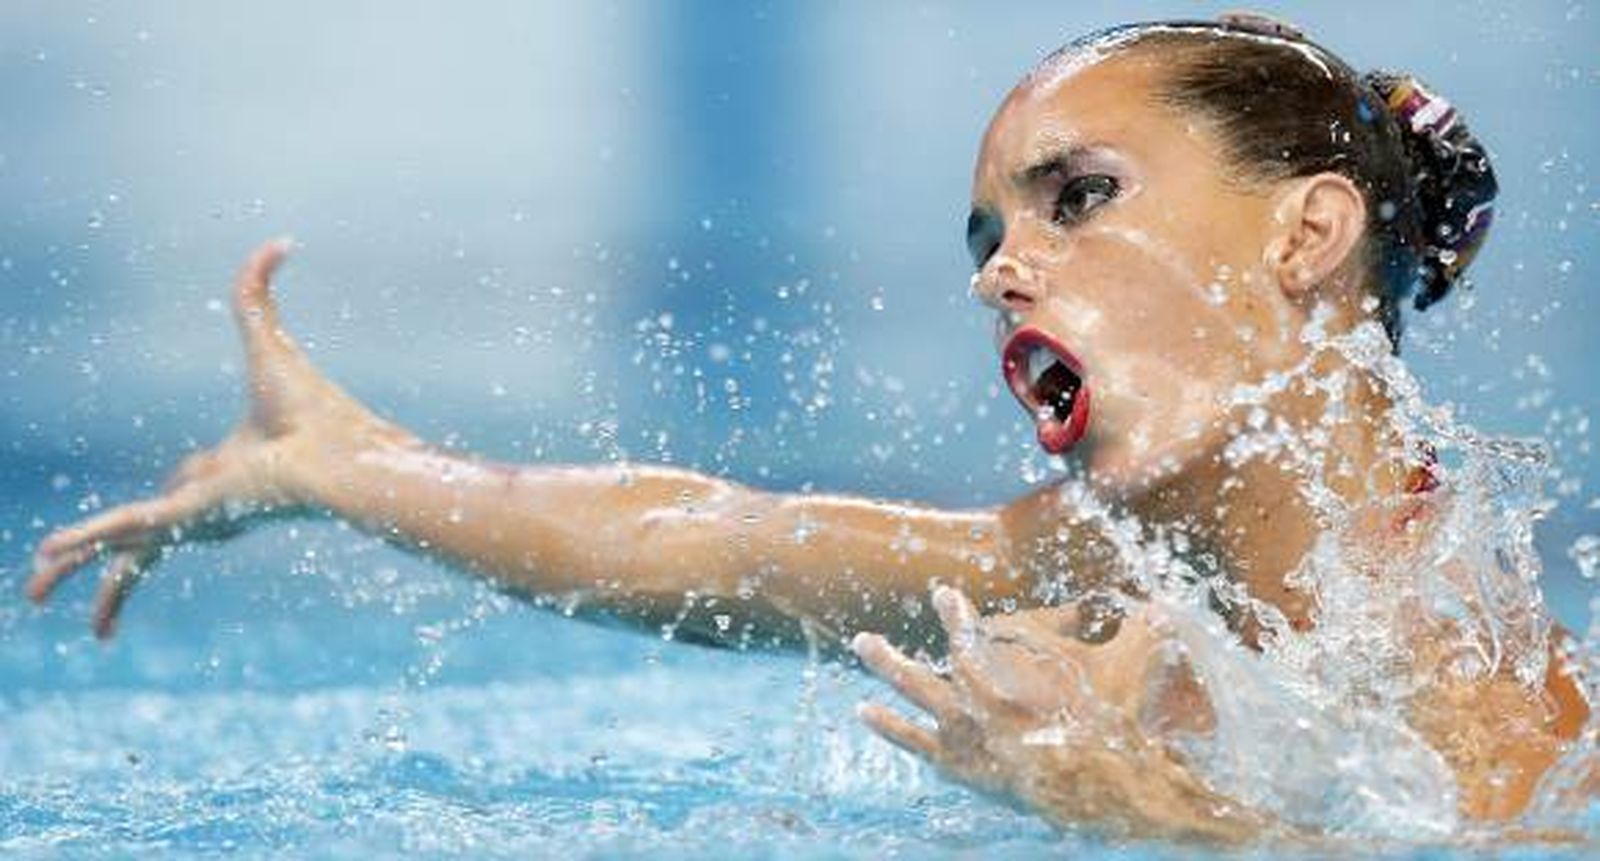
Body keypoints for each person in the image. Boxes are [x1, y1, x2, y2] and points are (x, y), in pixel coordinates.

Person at [25, 14, 1592, 844]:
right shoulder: (1109, 574)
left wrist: (1152, 813)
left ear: (1307, 234)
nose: (1006, 270)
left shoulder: (1468, 664)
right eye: (985, 235)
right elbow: (718, 541)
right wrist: (340, 465)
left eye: (1078, 198)